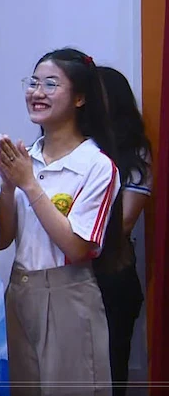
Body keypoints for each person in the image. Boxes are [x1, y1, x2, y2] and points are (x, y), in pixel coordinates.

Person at [0, 48, 122, 394]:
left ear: (80, 98)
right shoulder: (28, 158)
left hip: (68, 293)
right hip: (19, 289)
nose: (37, 92)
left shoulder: (96, 165)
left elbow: (77, 247)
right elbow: (3, 239)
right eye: (33, 83)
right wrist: (7, 187)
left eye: (51, 84)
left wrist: (28, 184)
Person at [95, 66, 152, 396]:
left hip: (112, 273)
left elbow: (125, 221)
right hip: (66, 276)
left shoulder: (134, 151)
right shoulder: (68, 145)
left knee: (111, 368)